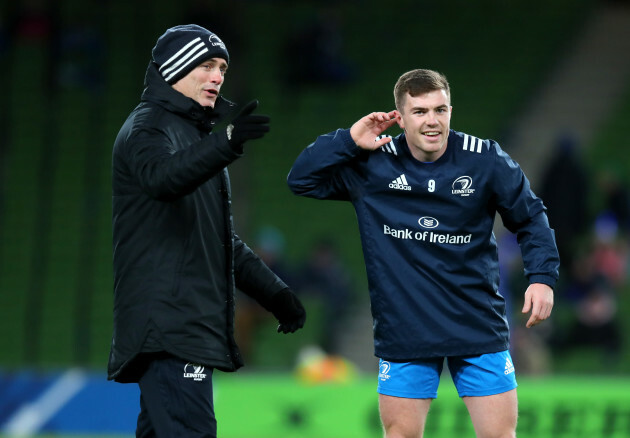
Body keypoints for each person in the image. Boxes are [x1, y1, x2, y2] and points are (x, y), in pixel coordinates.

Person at [287, 69, 559, 438]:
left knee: (499, 435)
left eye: (440, 109)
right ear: (399, 117)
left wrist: (542, 278)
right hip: (406, 327)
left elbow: (532, 218)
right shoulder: (373, 162)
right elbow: (301, 179)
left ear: (450, 110)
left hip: (476, 320)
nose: (432, 121)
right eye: (420, 111)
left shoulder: (485, 159)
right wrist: (350, 139)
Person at [109, 24, 306, 437]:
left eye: (222, 67)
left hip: (180, 326)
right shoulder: (147, 128)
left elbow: (220, 239)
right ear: (175, 67)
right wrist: (228, 141)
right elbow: (162, 179)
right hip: (169, 326)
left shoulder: (193, 136)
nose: (218, 76)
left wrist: (275, 294)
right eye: (206, 64)